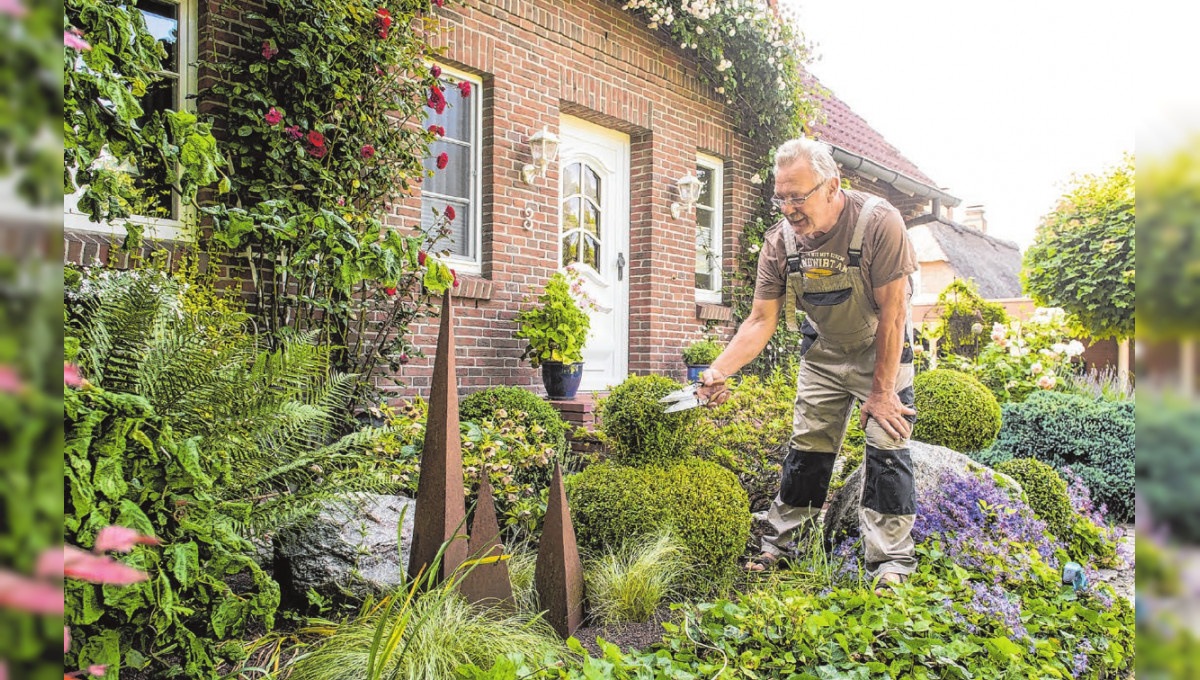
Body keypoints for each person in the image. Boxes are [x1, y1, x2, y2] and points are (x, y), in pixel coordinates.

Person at [698, 137, 919, 594]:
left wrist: (881, 392)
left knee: (885, 443)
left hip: (882, 348)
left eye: (798, 196)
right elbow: (760, 320)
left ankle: (891, 562)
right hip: (823, 354)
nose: (789, 208)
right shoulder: (780, 243)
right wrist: (719, 370)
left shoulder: (879, 223)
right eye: (781, 197)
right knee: (808, 448)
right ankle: (780, 546)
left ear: (832, 186)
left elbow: (894, 314)